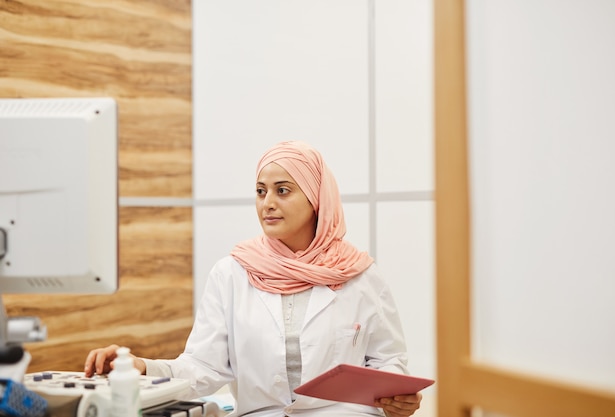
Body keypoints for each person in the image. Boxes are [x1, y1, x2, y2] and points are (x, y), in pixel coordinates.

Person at [84, 141, 424, 416]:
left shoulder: (359, 274)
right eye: (261, 191)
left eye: (283, 190)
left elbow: (389, 362)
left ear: (316, 198)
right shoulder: (232, 273)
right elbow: (203, 367)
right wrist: (140, 367)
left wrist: (398, 398)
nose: (268, 204)